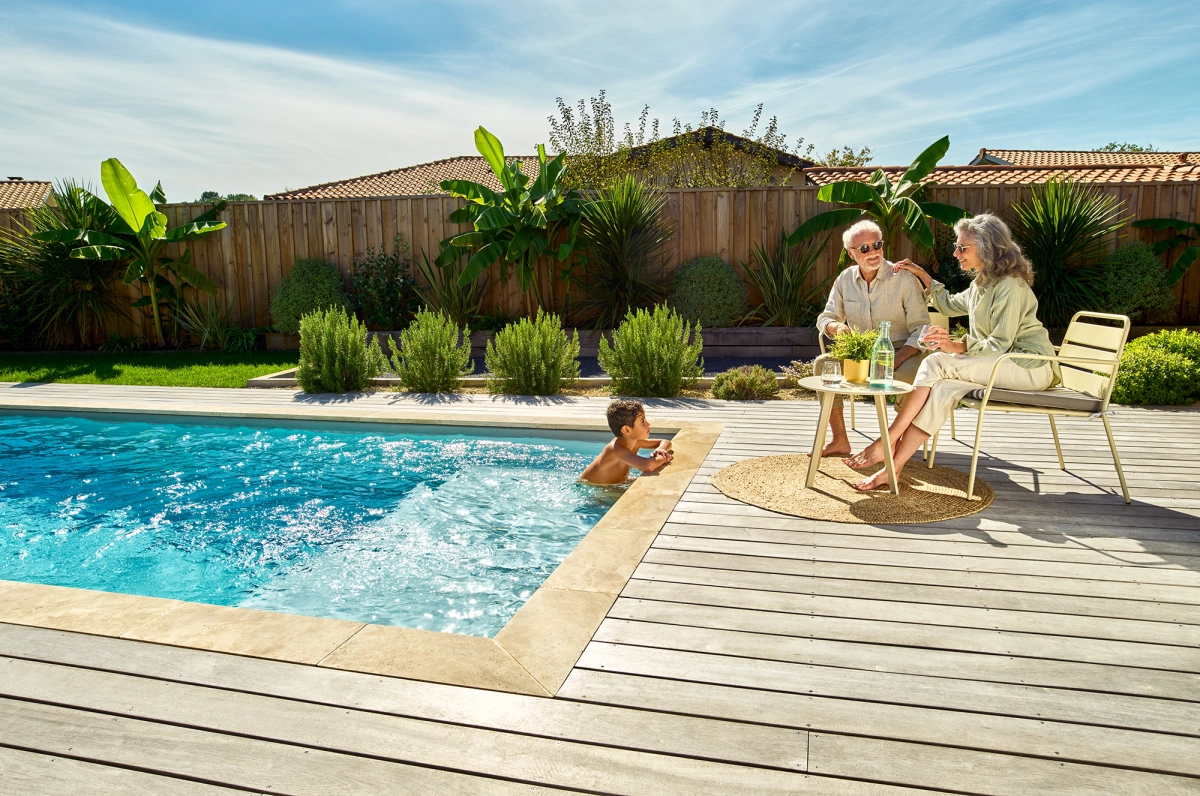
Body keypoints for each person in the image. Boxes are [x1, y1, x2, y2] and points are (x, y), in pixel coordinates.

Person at [844, 213, 1057, 491]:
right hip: (1001, 364)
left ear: (988, 248)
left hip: (1028, 365)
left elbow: (999, 345)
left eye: (962, 247)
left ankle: (887, 440)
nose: (956, 253)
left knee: (936, 363)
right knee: (943, 388)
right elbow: (948, 305)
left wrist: (954, 346)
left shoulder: (1010, 286)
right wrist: (921, 274)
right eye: (957, 246)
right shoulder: (982, 284)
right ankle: (891, 469)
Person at [813, 219, 930, 456]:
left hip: (903, 350)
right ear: (852, 253)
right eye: (865, 248)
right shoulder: (845, 279)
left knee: (911, 378)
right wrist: (836, 327)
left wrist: (898, 358)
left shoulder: (903, 278)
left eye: (877, 245)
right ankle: (839, 439)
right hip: (863, 351)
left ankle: (894, 441)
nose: (873, 252)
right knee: (823, 365)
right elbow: (825, 317)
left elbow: (921, 328)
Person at [581, 400, 674, 484]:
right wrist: (665, 457)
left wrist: (660, 449)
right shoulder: (614, 449)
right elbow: (649, 466)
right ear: (626, 430)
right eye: (642, 422)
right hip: (593, 488)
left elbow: (666, 442)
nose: (648, 424)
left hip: (615, 485)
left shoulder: (635, 441)